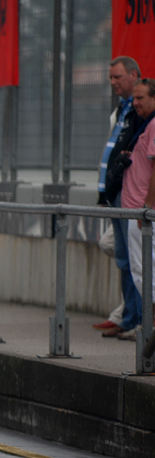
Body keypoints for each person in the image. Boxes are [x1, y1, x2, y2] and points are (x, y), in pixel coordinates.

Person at [97, 56, 144, 338]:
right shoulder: (123, 108)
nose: (113, 82)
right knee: (124, 258)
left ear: (134, 75)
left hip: (129, 195)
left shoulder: (136, 111)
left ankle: (137, 318)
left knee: (133, 259)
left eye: (118, 77)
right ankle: (129, 316)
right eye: (110, 78)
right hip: (114, 192)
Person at [117, 78, 155, 342]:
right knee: (140, 272)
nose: (136, 102)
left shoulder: (153, 125)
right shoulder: (144, 124)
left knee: (144, 273)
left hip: (141, 212)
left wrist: (147, 207)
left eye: (141, 97)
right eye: (135, 98)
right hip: (134, 208)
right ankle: (149, 326)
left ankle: (150, 327)